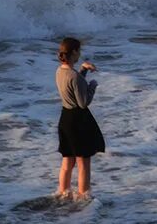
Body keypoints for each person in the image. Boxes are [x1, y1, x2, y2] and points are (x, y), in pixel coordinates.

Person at [54, 37, 105, 199]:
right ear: (74, 52)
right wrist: (93, 86)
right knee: (83, 162)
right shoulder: (74, 76)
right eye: (79, 52)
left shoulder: (59, 71)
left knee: (67, 160)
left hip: (65, 118)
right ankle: (84, 196)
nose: (80, 55)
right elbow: (83, 102)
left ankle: (62, 192)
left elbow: (73, 85)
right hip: (78, 120)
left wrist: (83, 70)